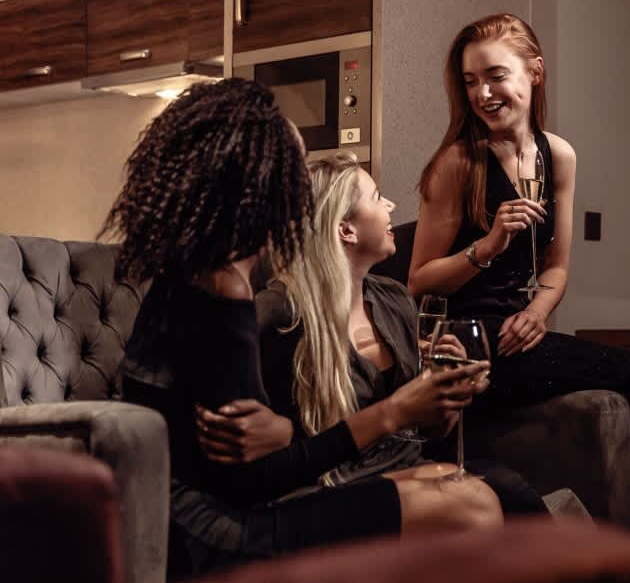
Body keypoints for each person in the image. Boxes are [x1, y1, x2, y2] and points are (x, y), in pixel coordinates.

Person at [107, 79, 501, 578]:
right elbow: (249, 485)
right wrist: (391, 412)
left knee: (447, 478)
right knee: (473, 506)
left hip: (214, 512)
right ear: (258, 178)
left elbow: (243, 449)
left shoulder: (206, 270)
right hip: (215, 536)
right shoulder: (223, 284)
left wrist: (289, 432)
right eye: (292, 165)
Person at [409, 12, 630, 544]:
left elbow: (557, 268)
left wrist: (537, 314)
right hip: (469, 340)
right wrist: (486, 247)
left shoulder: (556, 154)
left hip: (522, 331)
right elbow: (419, 281)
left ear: (534, 72)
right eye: (470, 81)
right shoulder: (457, 163)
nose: (483, 93)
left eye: (495, 75)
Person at [195, 152, 547, 518]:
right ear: (345, 229)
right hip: (331, 487)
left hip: (404, 466)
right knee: (491, 498)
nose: (392, 205)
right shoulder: (280, 313)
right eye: (378, 197)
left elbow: (431, 432)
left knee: (509, 488)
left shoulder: (393, 299)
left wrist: (445, 393)